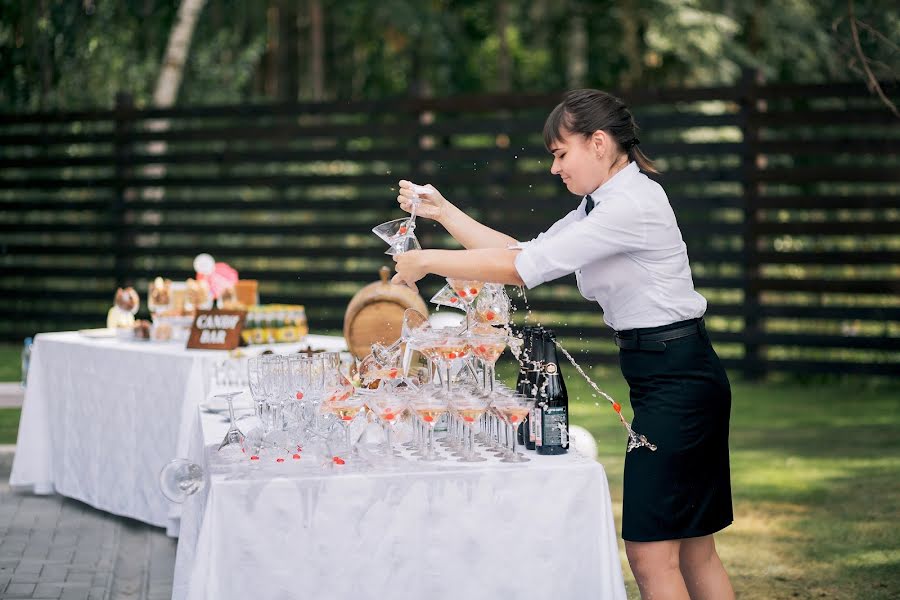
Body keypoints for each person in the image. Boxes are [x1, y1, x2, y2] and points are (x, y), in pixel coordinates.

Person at [392, 89, 735, 600]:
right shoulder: (606, 203)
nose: (555, 168)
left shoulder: (630, 205)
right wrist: (444, 212)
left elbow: (520, 272)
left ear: (598, 143)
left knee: (651, 552)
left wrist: (426, 261)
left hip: (679, 382)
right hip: (677, 373)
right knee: (691, 548)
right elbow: (524, 252)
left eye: (560, 153)